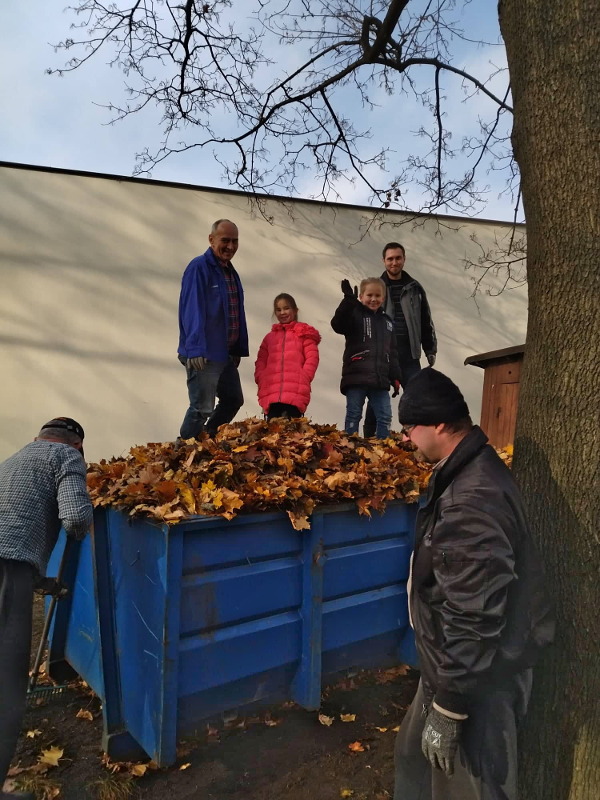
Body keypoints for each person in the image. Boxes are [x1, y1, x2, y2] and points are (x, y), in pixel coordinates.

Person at [393, 368, 554, 800]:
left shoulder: (472, 497)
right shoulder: (462, 473)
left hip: (479, 680)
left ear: (440, 425)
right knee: (413, 763)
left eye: (410, 428)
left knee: (471, 786)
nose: (406, 438)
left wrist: (449, 708)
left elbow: (475, 610)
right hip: (454, 668)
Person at [0, 418, 93, 800]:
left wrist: (42, 582)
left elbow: (12, 524)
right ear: (78, 446)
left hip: (14, 571)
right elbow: (76, 517)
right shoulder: (66, 459)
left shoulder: (11, 461)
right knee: (6, 685)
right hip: (8, 575)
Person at [178, 219, 249, 438]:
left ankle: (205, 439)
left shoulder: (229, 272)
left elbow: (235, 311)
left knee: (233, 399)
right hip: (205, 352)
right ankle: (181, 455)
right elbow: (192, 309)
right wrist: (195, 348)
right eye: (225, 240)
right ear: (211, 239)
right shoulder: (199, 267)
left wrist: (237, 348)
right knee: (201, 408)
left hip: (224, 353)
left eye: (235, 241)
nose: (230, 247)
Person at [364, 242, 437, 437]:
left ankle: (415, 439)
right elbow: (365, 320)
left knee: (416, 397)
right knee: (375, 399)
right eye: (390, 259)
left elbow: (425, 319)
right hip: (383, 354)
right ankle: (369, 440)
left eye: (398, 258)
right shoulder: (376, 288)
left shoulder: (414, 288)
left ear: (404, 259)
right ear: (383, 261)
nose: (394, 262)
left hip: (409, 354)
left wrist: (430, 349)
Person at [331, 278, 401, 439]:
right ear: (361, 297)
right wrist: (348, 301)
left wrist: (395, 377)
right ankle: (350, 447)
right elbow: (337, 324)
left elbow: (393, 352)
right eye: (369, 295)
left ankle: (383, 447)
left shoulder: (388, 323)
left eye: (378, 295)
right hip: (356, 377)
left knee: (385, 416)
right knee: (354, 414)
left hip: (380, 380)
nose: (373, 299)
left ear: (383, 298)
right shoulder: (354, 314)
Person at [254, 293, 321, 420]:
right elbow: (261, 360)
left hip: (295, 391)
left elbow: (312, 358)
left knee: (291, 430)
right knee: (273, 432)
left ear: (295, 310)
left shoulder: (303, 334)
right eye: (278, 310)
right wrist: (261, 376)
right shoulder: (269, 338)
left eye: (286, 308)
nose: (282, 312)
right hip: (271, 390)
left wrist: (304, 375)